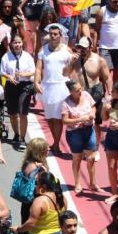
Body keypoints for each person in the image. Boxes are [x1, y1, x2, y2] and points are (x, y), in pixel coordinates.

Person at [34, 23, 75, 156]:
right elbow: (38, 68)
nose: (52, 36)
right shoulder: (43, 49)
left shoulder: (67, 50)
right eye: (51, 34)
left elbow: (71, 70)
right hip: (47, 87)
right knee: (50, 118)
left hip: (61, 86)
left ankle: (56, 144)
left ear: (60, 35)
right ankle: (55, 142)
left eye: (55, 34)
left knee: (58, 118)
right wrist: (36, 82)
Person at [61, 80, 97, 194]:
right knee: (77, 158)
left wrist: (92, 114)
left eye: (80, 88)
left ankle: (92, 183)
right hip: (74, 133)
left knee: (91, 158)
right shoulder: (66, 103)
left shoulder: (86, 95)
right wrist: (80, 119)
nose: (80, 91)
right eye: (77, 90)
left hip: (89, 130)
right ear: (71, 92)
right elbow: (65, 121)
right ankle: (77, 183)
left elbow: (93, 107)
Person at [0, 35, 35, 145]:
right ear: (12, 44)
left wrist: (24, 74)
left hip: (24, 86)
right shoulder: (6, 56)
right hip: (11, 86)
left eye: (19, 42)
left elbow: (33, 71)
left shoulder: (28, 57)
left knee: (23, 112)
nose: (17, 45)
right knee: (13, 113)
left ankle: (22, 138)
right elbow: (2, 71)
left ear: (22, 44)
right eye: (15, 43)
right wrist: (9, 77)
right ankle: (16, 134)